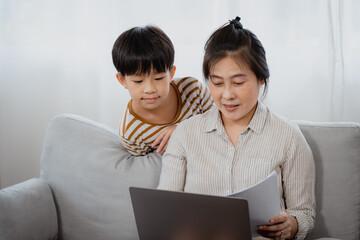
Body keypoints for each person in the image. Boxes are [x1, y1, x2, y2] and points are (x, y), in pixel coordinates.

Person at [158, 17, 315, 240]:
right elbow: (164, 208)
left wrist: (291, 224)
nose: (227, 95)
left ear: (261, 78)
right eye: (217, 83)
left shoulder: (288, 136)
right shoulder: (185, 134)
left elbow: (304, 213)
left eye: (238, 83)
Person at [112, 26, 214, 156]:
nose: (150, 89)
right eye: (138, 81)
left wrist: (184, 130)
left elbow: (221, 121)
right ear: (122, 81)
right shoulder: (130, 131)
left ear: (171, 73)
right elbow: (147, 170)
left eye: (159, 78)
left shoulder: (193, 90)